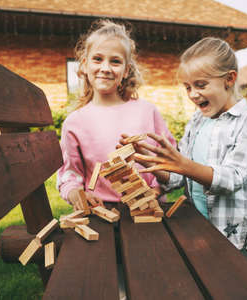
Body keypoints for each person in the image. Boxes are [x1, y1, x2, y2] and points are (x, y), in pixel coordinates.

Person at [133, 37, 247, 298]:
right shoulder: (196, 122)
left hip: (236, 236)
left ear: (229, 78)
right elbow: (176, 179)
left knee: (244, 291)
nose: (193, 94)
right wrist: (154, 163)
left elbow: (233, 178)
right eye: (187, 87)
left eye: (201, 85)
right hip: (199, 231)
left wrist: (183, 164)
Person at [56, 19, 175, 210]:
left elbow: (169, 161)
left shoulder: (147, 112)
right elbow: (70, 174)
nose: (105, 68)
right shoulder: (75, 122)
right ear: (85, 65)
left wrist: (157, 189)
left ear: (126, 70)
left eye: (115, 61)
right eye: (97, 59)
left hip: (148, 208)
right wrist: (75, 193)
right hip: (101, 211)